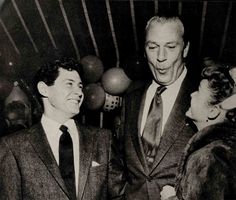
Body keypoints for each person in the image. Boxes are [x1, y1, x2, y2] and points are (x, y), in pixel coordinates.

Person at [0, 58, 124, 200]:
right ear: (44, 89)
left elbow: (120, 196)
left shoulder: (103, 139)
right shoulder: (13, 147)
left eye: (80, 86)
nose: (79, 92)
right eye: (69, 84)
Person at [118, 13, 199, 200]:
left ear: (185, 49)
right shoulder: (131, 98)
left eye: (170, 47)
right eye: (152, 47)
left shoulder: (203, 98)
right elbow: (119, 158)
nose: (160, 57)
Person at [170, 65, 236, 200]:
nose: (192, 94)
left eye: (199, 92)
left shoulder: (210, 157)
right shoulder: (225, 148)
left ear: (213, 112)